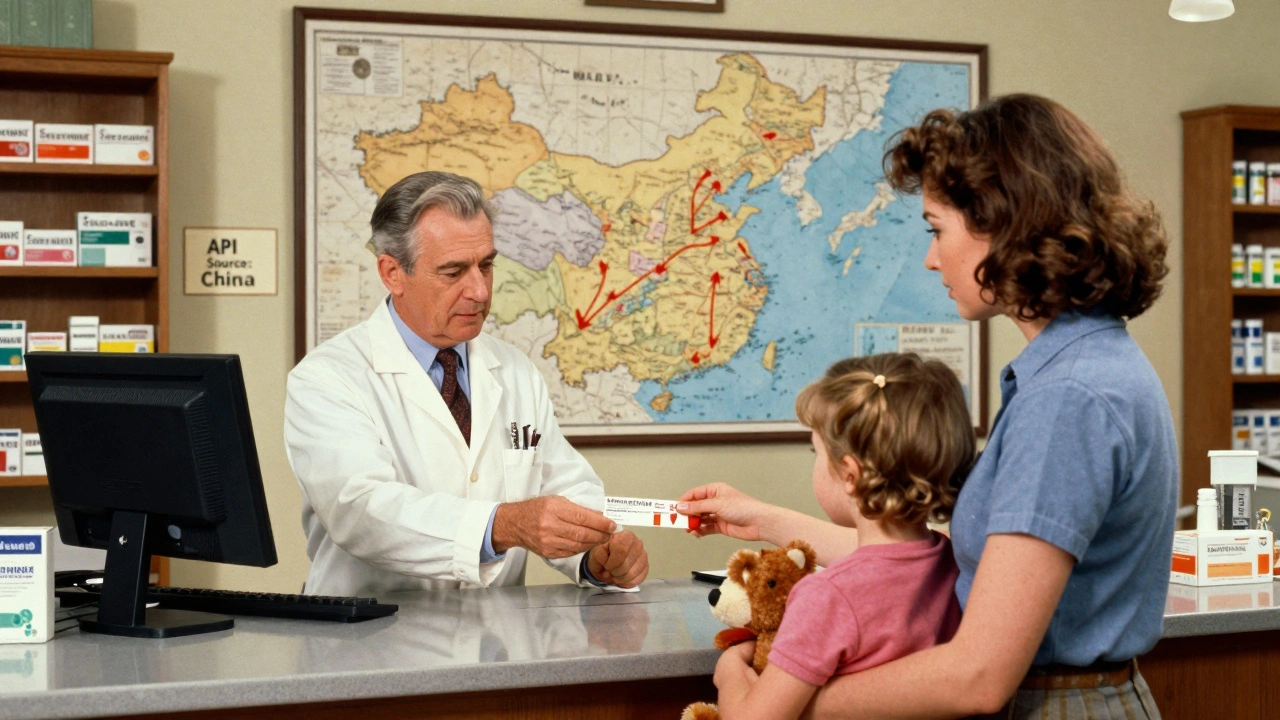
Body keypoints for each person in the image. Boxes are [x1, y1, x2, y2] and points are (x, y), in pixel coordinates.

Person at [680, 94, 1175, 719]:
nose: (931, 256)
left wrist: (783, 699)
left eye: (937, 229)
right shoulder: (1084, 366)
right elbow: (931, 560)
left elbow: (978, 676)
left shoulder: (1066, 400)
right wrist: (765, 520)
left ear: (1003, 222)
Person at [285, 171, 648, 598]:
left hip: (493, 632)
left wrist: (594, 554)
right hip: (370, 630)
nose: (479, 291)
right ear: (392, 273)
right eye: (454, 271)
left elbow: (562, 485)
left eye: (486, 266)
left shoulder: (514, 370)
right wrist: (502, 526)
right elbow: (360, 512)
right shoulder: (328, 378)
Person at [711, 353, 975, 720]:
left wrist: (729, 670)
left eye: (816, 451)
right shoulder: (955, 564)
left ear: (850, 475)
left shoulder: (825, 597)